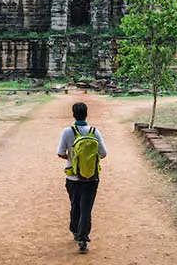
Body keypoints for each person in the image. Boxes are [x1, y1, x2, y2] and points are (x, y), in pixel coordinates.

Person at [56, 102, 107, 254]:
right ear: (86, 114)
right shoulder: (94, 132)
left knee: (75, 205)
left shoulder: (67, 132)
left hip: (73, 178)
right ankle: (83, 239)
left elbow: (60, 152)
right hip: (92, 177)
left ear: (73, 114)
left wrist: (72, 157)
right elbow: (103, 154)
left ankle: (75, 230)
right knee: (86, 208)